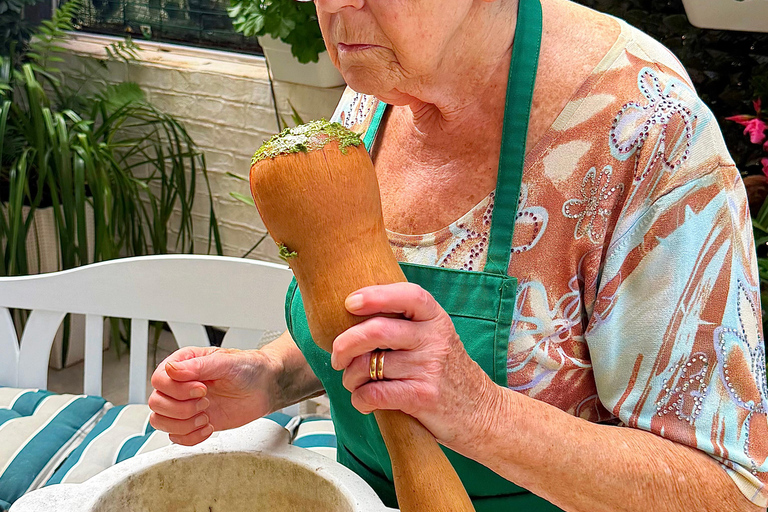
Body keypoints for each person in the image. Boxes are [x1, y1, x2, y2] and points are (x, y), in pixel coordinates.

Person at [148, 0, 768, 510]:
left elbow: (732, 493)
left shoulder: (646, 130)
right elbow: (368, 325)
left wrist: (481, 410)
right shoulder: (383, 79)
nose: (335, 3)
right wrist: (273, 375)